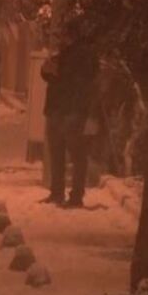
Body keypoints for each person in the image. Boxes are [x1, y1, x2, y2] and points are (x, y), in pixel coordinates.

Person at [40, 27, 99, 208]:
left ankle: (75, 195)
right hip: (57, 108)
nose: (59, 39)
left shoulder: (84, 55)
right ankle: (57, 191)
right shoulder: (62, 54)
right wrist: (48, 68)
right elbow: (49, 75)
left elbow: (78, 82)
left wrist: (57, 71)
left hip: (72, 109)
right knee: (57, 150)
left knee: (75, 152)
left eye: (62, 35)